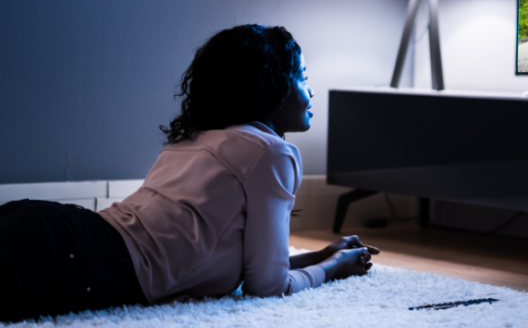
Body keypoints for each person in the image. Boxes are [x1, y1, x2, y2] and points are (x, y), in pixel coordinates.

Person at [0, 25, 378, 323]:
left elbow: (252, 266)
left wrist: (319, 255)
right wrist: (332, 269)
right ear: (272, 87)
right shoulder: (271, 152)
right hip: (77, 261)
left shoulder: (198, 138)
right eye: (301, 76)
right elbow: (268, 288)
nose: (310, 90)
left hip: (60, 233)